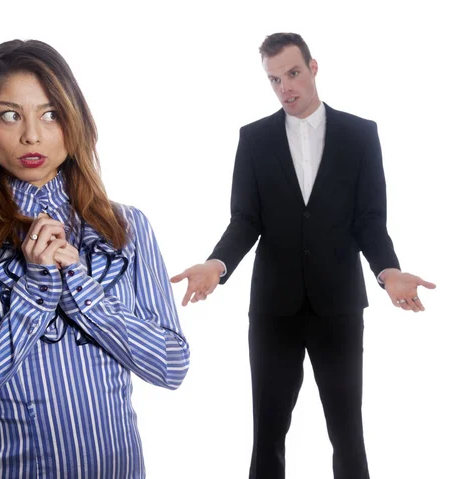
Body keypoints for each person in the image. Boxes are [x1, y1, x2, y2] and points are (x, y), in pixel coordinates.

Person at [0, 39, 189, 479]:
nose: (32, 135)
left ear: (74, 120)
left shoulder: (127, 226)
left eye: (50, 114)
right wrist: (36, 296)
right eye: (10, 114)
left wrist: (82, 291)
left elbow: (171, 366)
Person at [171, 32, 435, 479]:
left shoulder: (360, 135)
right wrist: (217, 265)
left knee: (347, 433)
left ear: (313, 68)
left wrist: (388, 272)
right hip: (275, 309)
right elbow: (245, 220)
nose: (284, 88)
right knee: (268, 433)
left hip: (339, 307)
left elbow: (370, 221)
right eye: (274, 80)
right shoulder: (254, 139)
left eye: (292, 74)